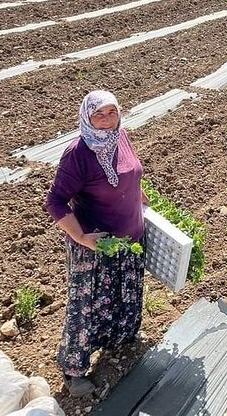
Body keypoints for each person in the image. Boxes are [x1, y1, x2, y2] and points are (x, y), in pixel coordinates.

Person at [46, 90, 147, 396]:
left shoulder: (121, 136)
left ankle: (118, 344)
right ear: (86, 118)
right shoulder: (77, 153)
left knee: (122, 296)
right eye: (98, 115)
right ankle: (74, 371)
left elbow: (132, 174)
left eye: (111, 113)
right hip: (97, 247)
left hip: (130, 240)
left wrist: (140, 200)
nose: (105, 121)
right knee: (86, 308)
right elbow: (55, 202)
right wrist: (80, 237)